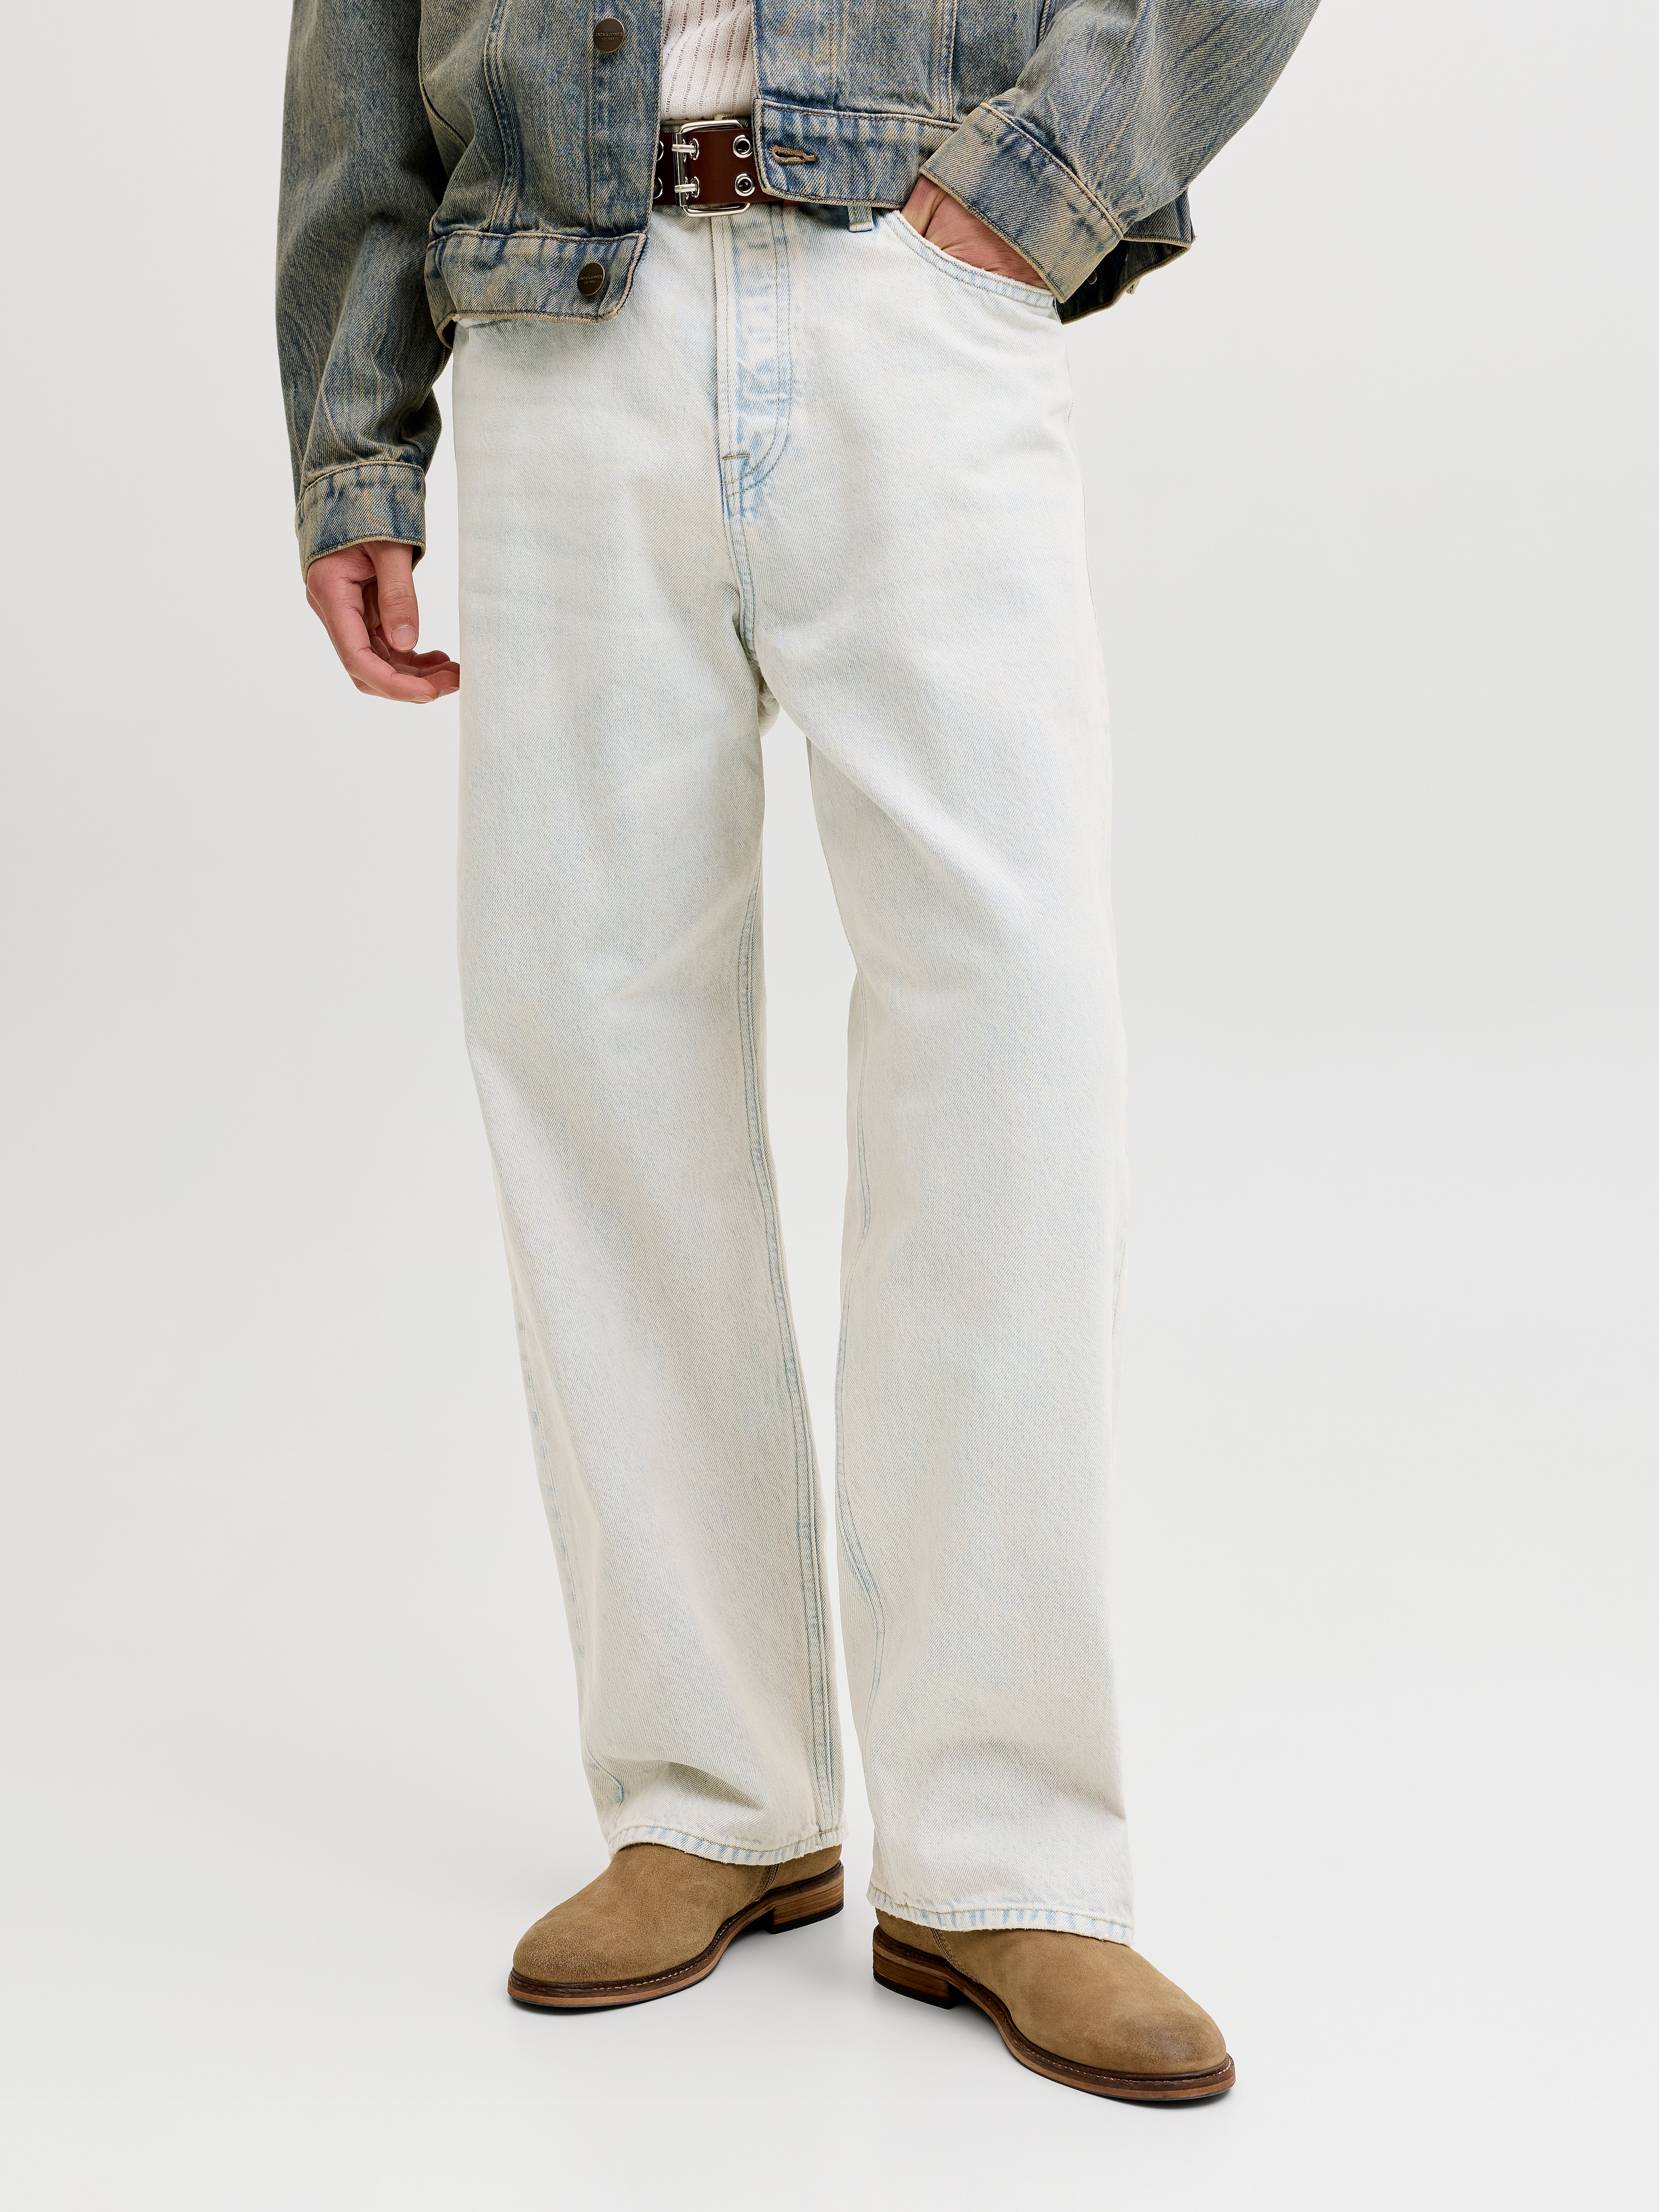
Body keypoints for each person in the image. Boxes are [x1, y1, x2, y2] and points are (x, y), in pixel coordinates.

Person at [278, 0, 1316, 2102]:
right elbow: (353, 34)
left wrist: (1043, 177)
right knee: (589, 1037)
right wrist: (354, 430)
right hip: (561, 314)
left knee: (1010, 1042)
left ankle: (1008, 1849)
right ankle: (708, 1794)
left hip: (913, 294)